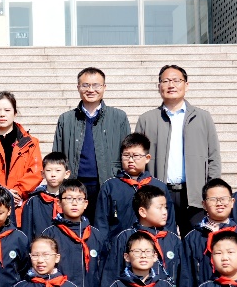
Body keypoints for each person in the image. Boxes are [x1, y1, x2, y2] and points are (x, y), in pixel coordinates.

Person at [134, 65, 221, 236]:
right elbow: (138, 159)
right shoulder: (147, 119)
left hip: (194, 195)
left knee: (196, 241)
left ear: (186, 85)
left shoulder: (203, 118)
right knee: (163, 241)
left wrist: (211, 191)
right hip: (159, 193)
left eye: (176, 80)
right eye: (165, 81)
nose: (171, 85)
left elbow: (213, 157)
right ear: (159, 86)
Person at [52, 66, 132, 221]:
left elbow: (127, 153)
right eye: (85, 85)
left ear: (104, 87)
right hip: (75, 185)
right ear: (78, 88)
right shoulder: (66, 119)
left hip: (108, 182)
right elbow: (57, 155)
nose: (90, 90)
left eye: (96, 85)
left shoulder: (118, 117)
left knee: (105, 227)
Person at [178, 178, 237, 287]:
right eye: (213, 199)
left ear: (232, 202)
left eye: (223, 199)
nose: (219, 203)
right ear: (204, 205)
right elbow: (186, 277)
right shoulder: (193, 238)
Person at [100, 186, 182, 287]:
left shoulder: (172, 239)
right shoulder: (125, 237)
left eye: (166, 207)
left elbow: (183, 276)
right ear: (142, 212)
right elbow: (111, 275)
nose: (164, 212)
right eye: (159, 208)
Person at [94, 133, 174, 240]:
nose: (131, 160)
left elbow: (169, 223)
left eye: (136, 156)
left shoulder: (159, 186)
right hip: (118, 244)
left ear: (147, 158)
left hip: (153, 245)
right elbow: (101, 223)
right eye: (126, 155)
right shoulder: (110, 186)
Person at [0, 91, 42, 205]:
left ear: (15, 113)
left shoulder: (31, 142)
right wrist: (2, 191)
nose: (2, 114)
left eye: (7, 110)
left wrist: (18, 191)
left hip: (21, 204)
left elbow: (36, 172)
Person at [42, 180, 106, 287]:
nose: (74, 203)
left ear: (86, 204)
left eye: (79, 199)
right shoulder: (50, 234)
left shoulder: (95, 234)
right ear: (59, 203)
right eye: (69, 198)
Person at [20, 152, 72, 240]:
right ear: (43, 174)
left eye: (58, 170)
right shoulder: (33, 201)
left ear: (67, 174)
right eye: (48, 170)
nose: (53, 174)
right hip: (41, 246)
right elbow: (26, 232)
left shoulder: (71, 200)